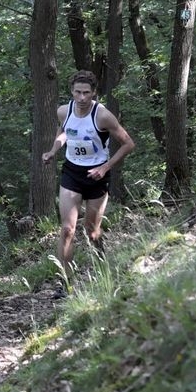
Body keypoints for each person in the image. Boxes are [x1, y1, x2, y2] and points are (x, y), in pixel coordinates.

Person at [42, 70, 135, 293]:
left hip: (97, 177)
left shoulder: (102, 115)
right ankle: (64, 283)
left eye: (86, 93)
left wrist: (105, 168)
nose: (81, 98)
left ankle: (103, 268)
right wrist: (53, 150)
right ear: (71, 92)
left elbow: (128, 143)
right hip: (72, 173)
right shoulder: (64, 111)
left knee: (92, 231)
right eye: (77, 92)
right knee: (67, 229)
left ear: (94, 93)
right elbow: (64, 132)